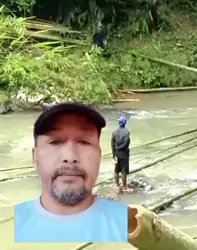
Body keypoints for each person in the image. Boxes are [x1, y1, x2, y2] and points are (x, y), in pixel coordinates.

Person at [14, 102, 128, 242]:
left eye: (84, 142)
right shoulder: (9, 228)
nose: (70, 157)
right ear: (35, 157)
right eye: (55, 142)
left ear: (99, 156)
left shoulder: (134, 229)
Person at [111, 115, 132, 194]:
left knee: (116, 170)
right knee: (123, 171)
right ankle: (125, 187)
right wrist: (119, 148)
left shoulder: (114, 132)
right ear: (125, 122)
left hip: (116, 154)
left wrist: (114, 154)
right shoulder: (127, 132)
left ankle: (117, 185)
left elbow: (112, 144)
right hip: (124, 154)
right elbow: (125, 144)